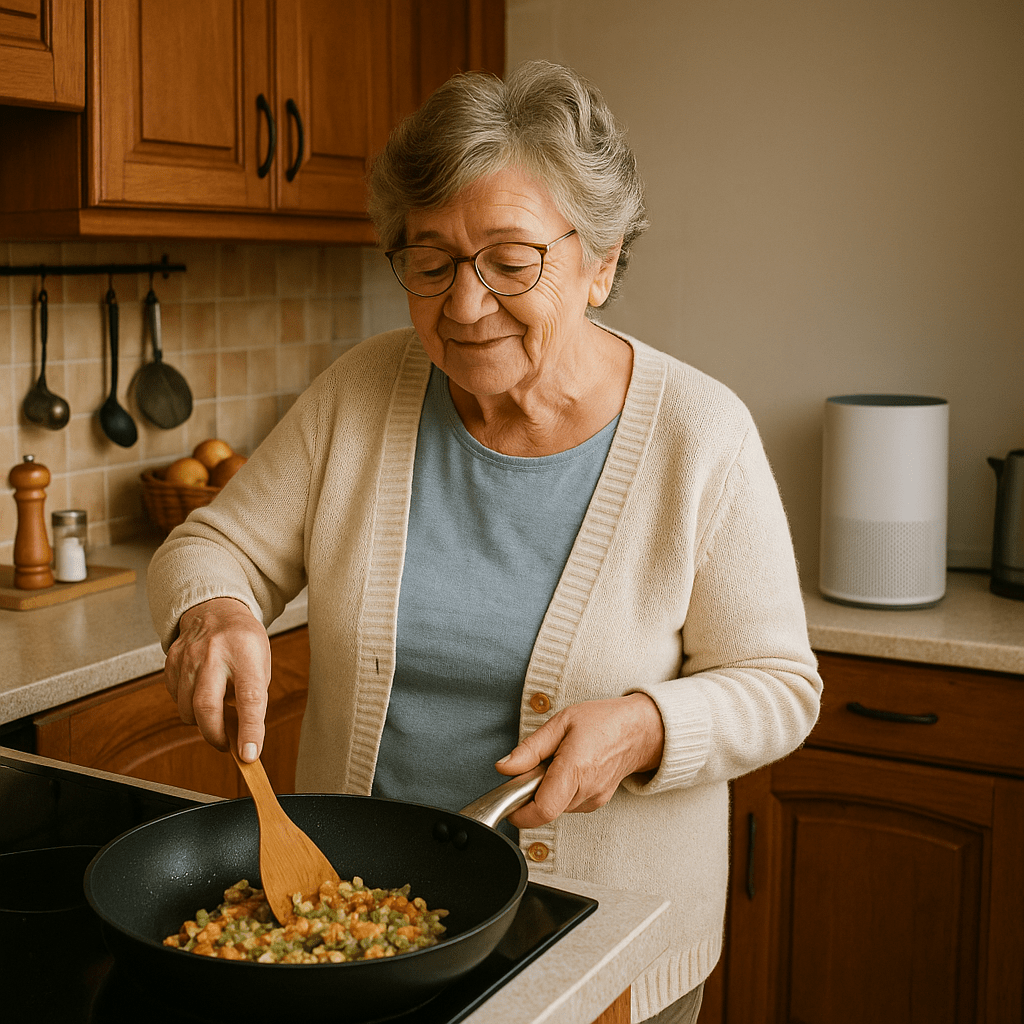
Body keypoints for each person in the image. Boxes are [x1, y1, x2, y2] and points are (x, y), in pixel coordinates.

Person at [148, 61, 821, 1024]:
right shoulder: (361, 391)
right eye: (430, 262)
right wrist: (212, 609)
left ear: (601, 263)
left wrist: (644, 726)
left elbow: (781, 684)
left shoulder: (698, 436)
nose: (464, 307)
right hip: (353, 931)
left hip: (601, 952)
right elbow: (211, 544)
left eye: (510, 262)